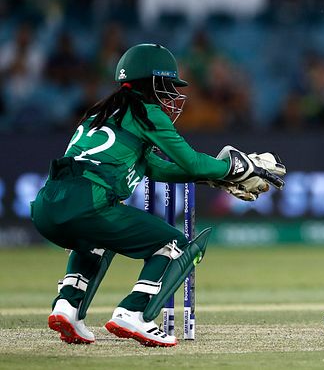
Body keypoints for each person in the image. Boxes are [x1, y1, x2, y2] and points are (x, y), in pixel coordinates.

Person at [31, 43, 286, 347]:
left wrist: (214, 178)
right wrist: (235, 167)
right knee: (174, 243)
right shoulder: (146, 110)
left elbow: (157, 168)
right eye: (166, 86)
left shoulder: (101, 112)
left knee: (92, 240)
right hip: (91, 200)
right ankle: (132, 312)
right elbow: (189, 160)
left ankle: (67, 308)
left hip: (46, 206)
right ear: (151, 82)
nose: (170, 96)